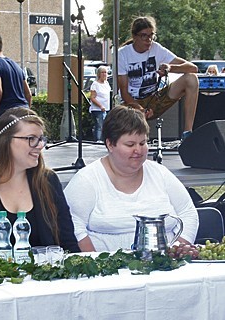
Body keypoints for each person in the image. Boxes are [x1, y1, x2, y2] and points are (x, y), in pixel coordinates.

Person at [64, 106, 198, 252]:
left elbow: (188, 213)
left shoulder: (160, 173)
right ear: (110, 144)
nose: (138, 150)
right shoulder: (86, 180)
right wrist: (94, 262)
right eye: (130, 144)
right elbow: (73, 226)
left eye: (143, 143)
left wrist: (175, 252)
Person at [0, 108, 80, 253]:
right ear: (6, 141)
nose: (40, 145)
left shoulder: (48, 181)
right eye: (31, 138)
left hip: (44, 274)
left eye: (41, 139)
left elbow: (68, 243)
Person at [117, 16, 199, 140]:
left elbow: (193, 68)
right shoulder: (122, 54)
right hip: (131, 103)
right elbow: (124, 93)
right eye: (144, 36)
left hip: (154, 100)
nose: (148, 40)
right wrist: (140, 109)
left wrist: (170, 68)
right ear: (134, 36)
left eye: (151, 35)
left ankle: (187, 133)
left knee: (192, 79)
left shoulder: (157, 48)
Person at [0, 32, 32, 121]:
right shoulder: (16, 65)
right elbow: (28, 94)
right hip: (24, 112)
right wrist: (26, 110)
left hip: (8, 114)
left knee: (4, 135)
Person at [89, 66, 111, 142]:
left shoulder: (107, 83)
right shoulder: (95, 84)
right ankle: (98, 140)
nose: (104, 74)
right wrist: (100, 106)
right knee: (99, 126)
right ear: (99, 74)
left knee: (106, 126)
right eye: (102, 72)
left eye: (105, 72)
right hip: (98, 109)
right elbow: (92, 98)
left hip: (106, 108)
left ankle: (104, 140)